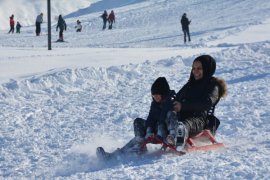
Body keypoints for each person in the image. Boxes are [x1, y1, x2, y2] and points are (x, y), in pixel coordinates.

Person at [97, 77, 176, 160]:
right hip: (155, 132)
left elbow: (164, 116)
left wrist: (153, 130)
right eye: (153, 95)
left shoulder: (171, 100)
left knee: (168, 116)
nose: (155, 97)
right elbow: (151, 118)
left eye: (157, 95)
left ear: (163, 93)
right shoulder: (155, 104)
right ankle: (115, 155)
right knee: (138, 122)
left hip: (166, 133)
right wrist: (149, 130)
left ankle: (171, 139)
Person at [165, 55, 227, 151]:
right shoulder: (190, 84)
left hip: (199, 120)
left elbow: (207, 103)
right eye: (193, 68)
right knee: (169, 115)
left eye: (199, 68)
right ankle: (171, 136)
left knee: (185, 124)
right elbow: (178, 98)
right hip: (182, 116)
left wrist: (183, 106)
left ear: (207, 69)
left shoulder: (213, 85)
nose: (195, 71)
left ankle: (179, 139)